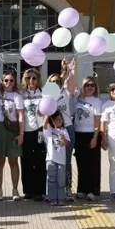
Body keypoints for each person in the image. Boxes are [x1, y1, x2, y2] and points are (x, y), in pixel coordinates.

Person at [0, 65, 23, 201]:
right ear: (2, 82)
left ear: (15, 82)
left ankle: (15, 190)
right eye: (6, 80)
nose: (8, 83)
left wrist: (21, 134)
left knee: (13, 161)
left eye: (11, 81)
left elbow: (21, 116)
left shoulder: (17, 96)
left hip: (12, 130)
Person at [46, 61, 75, 201]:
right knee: (52, 160)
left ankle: (67, 188)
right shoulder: (47, 96)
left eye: (57, 81)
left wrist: (71, 69)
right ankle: (52, 191)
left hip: (67, 127)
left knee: (66, 160)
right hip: (51, 130)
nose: (55, 83)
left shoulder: (65, 91)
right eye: (52, 81)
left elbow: (71, 82)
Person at [72, 73, 103, 201]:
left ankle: (94, 190)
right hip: (78, 133)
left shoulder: (97, 101)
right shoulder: (77, 97)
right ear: (83, 87)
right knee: (81, 163)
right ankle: (82, 189)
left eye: (92, 85)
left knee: (93, 164)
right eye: (87, 85)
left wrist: (95, 137)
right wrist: (70, 70)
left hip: (91, 134)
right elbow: (69, 84)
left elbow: (97, 120)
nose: (89, 87)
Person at [20, 68, 46, 201]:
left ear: (38, 79)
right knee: (26, 160)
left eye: (34, 78)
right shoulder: (21, 93)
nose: (31, 80)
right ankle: (28, 190)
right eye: (28, 78)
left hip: (40, 130)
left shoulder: (43, 93)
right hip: (25, 131)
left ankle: (39, 190)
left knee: (40, 159)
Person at [44, 110, 70, 205]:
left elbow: (67, 143)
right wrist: (48, 114)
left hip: (61, 160)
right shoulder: (49, 130)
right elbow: (44, 125)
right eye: (56, 119)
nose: (59, 121)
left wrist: (63, 139)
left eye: (60, 119)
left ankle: (61, 197)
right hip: (51, 159)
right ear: (52, 121)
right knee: (51, 179)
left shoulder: (64, 130)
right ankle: (52, 198)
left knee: (61, 180)